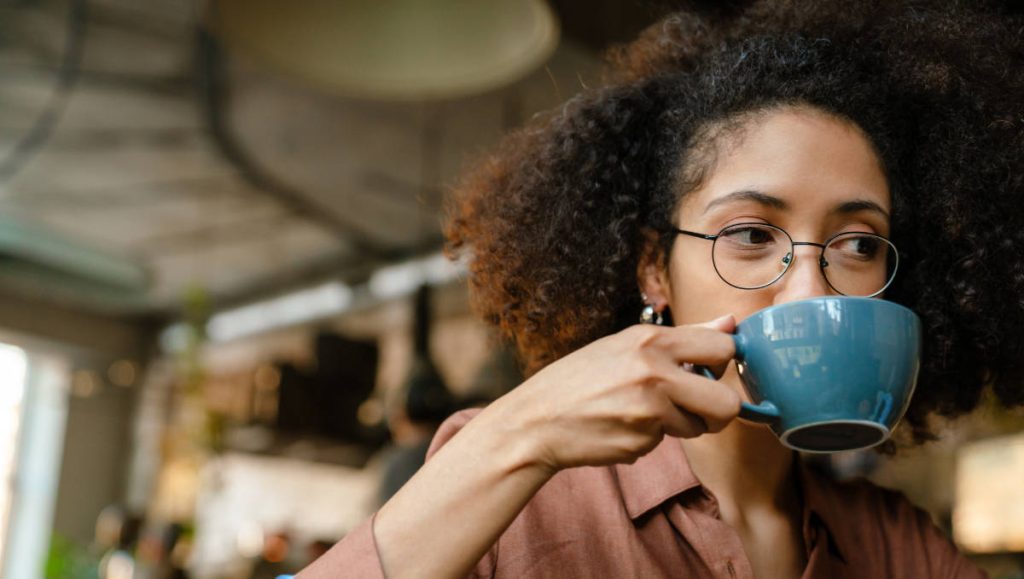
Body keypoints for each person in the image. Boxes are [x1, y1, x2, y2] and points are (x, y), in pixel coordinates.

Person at [299, 1, 1023, 577]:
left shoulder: (896, 547)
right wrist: (521, 435)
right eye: (750, 235)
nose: (809, 290)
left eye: (858, 244)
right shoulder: (516, 486)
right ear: (654, 268)